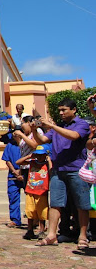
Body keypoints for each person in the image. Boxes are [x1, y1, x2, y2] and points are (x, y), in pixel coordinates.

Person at [34, 98, 92, 249]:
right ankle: (52, 235)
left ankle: (83, 236)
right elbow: (41, 140)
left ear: (73, 110)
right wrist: (35, 130)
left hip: (76, 170)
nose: (61, 113)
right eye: (59, 110)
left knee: (81, 204)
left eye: (64, 110)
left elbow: (74, 136)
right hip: (58, 170)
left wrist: (52, 125)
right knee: (56, 203)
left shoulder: (82, 125)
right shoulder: (57, 127)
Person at [17, 144, 51, 240]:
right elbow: (18, 162)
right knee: (30, 211)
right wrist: (29, 156)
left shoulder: (46, 164)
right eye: (38, 155)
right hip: (30, 189)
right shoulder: (32, 162)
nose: (39, 157)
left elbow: (51, 170)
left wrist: (49, 161)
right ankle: (30, 229)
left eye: (42, 155)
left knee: (42, 212)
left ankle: (42, 230)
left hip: (42, 191)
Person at [1, 129, 24, 228]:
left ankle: (35, 219)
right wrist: (15, 172)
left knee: (32, 198)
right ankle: (15, 219)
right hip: (13, 175)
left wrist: (21, 172)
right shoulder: (10, 145)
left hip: (25, 173)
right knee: (13, 197)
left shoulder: (26, 144)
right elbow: (7, 160)